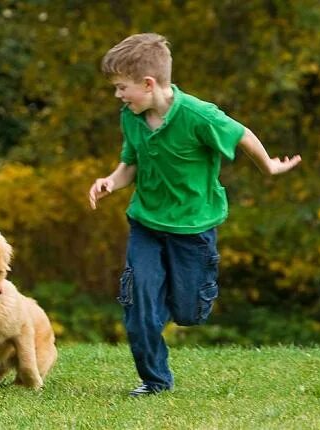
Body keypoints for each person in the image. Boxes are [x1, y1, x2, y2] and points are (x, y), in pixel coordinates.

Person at [89, 33, 301, 397]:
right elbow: (131, 165)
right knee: (139, 303)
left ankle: (174, 301)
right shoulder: (132, 117)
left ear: (149, 83)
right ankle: (155, 380)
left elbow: (241, 133)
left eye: (122, 88)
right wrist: (111, 181)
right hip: (146, 223)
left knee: (188, 312)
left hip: (193, 228)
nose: (118, 96)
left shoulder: (198, 116)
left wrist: (268, 166)